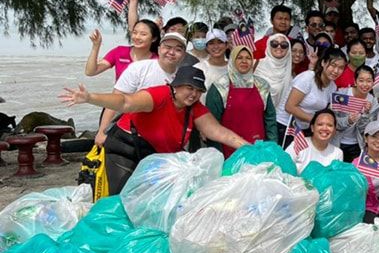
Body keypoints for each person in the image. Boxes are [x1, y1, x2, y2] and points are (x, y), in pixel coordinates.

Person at [60, 65, 249, 194]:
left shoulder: (194, 107)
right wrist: (90, 98)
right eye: (189, 88)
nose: (194, 94)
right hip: (125, 150)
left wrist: (250, 147)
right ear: (176, 86)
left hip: (153, 156)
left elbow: (219, 132)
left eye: (198, 90)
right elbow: (125, 102)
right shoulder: (159, 95)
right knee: (122, 197)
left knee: (157, 199)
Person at [93, 31, 188, 146]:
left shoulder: (185, 77)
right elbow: (115, 100)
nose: (171, 52)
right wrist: (102, 132)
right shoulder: (139, 69)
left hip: (165, 136)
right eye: (167, 47)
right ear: (159, 49)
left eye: (178, 49)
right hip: (133, 134)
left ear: (184, 55)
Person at [204, 44, 276, 157]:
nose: (244, 61)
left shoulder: (262, 86)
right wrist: (217, 155)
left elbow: (270, 119)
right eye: (239, 58)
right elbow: (212, 124)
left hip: (258, 149)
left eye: (248, 58)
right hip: (228, 151)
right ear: (232, 60)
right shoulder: (220, 86)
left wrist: (272, 147)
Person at [284, 48, 347, 134]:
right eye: (333, 65)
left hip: (306, 128)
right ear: (323, 63)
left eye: (341, 68)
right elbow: (289, 107)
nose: (336, 71)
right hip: (286, 125)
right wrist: (315, 120)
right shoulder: (308, 78)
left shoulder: (333, 87)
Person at [84, 20, 160, 81]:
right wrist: (96, 46)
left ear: (154, 38)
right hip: (118, 95)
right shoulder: (119, 51)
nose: (137, 37)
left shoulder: (157, 61)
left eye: (143, 34)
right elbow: (90, 72)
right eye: (135, 32)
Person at [334, 64, 376, 162]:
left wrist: (366, 114)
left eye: (369, 81)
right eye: (361, 80)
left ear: (373, 83)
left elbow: (365, 130)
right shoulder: (342, 94)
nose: (365, 84)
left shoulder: (373, 101)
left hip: (357, 145)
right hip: (337, 142)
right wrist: (348, 120)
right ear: (355, 81)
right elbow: (332, 121)